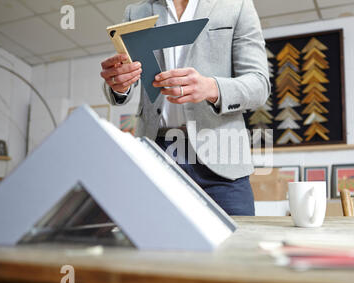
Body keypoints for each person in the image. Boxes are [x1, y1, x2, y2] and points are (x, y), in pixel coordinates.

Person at [101, 0, 270, 216]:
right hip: (156, 154)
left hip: (222, 160)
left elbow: (259, 84)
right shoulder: (136, 12)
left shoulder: (236, 5)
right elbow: (127, 79)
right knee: (155, 246)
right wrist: (119, 84)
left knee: (235, 247)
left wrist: (211, 87)